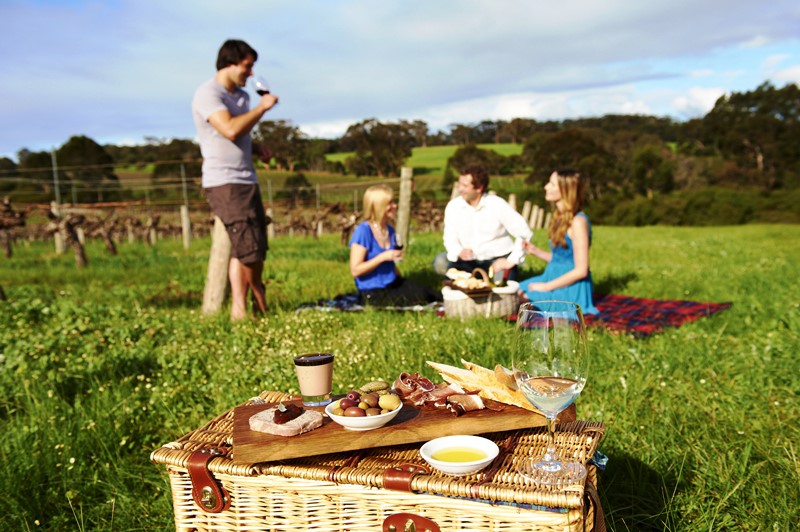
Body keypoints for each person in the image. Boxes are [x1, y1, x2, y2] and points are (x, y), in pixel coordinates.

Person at [192, 39, 279, 321]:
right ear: (230, 63)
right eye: (247, 66)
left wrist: (256, 148)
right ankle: (258, 298)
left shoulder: (241, 97)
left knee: (252, 247)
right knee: (249, 249)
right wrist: (263, 108)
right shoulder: (208, 94)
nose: (251, 73)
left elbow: (240, 135)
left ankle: (239, 310)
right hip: (224, 182)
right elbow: (228, 129)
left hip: (247, 179)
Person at [518, 168, 599, 315]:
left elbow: (581, 270)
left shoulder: (578, 222)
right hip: (551, 277)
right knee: (514, 290)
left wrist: (546, 287)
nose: (546, 187)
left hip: (571, 287)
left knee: (522, 299)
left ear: (565, 190)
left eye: (551, 184)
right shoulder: (559, 218)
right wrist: (534, 250)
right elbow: (560, 260)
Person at [433, 165, 532, 281]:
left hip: (496, 261)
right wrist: (459, 251)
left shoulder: (497, 204)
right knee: (440, 262)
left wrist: (511, 260)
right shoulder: (453, 207)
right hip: (467, 262)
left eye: (465, 186)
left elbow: (524, 232)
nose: (460, 189)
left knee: (501, 288)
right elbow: (449, 238)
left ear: (479, 188)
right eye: (459, 184)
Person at [349, 185, 439, 306]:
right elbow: (355, 270)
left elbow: (390, 264)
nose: (395, 206)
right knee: (419, 298)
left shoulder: (389, 230)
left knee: (430, 293)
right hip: (372, 291)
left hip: (392, 283)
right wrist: (383, 257)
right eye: (389, 203)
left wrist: (403, 282)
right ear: (378, 206)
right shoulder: (364, 231)